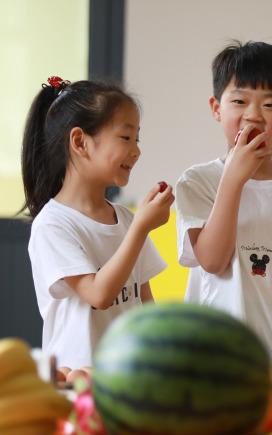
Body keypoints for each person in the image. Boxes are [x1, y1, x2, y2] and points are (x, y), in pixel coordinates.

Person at [175, 41, 272, 378]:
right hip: (208, 364)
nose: (253, 114)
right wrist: (233, 180)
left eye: (270, 104)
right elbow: (212, 260)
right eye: (240, 101)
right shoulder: (197, 182)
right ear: (217, 108)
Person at [23, 77, 172, 371]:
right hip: (78, 381)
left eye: (137, 139)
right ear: (80, 142)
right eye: (126, 138)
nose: (137, 150)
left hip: (130, 375)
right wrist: (141, 227)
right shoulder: (53, 225)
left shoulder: (127, 218)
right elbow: (98, 294)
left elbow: (144, 298)